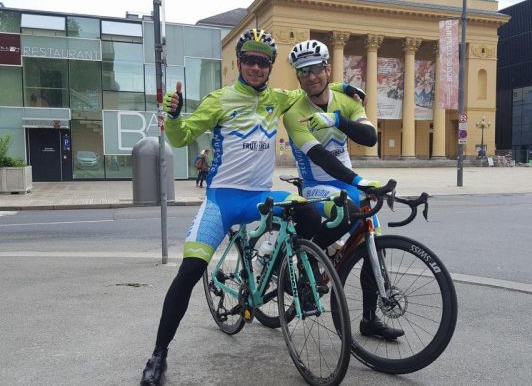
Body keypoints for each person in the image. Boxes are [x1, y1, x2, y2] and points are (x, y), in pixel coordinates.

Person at [140, 28, 366, 386]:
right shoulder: (220, 99)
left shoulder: (278, 98)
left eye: (263, 62)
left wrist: (342, 89)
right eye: (250, 60)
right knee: (189, 271)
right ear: (239, 62)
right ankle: (158, 355)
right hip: (222, 201)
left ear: (271, 66)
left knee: (306, 211)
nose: (256, 67)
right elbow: (182, 137)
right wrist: (174, 115)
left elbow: (311, 87)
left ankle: (294, 274)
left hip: (260, 198)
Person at [283, 40, 404, 340]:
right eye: (303, 72)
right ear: (297, 77)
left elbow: (370, 137)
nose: (311, 77)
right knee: (349, 212)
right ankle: (306, 260)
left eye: (316, 69)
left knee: (372, 237)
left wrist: (338, 119)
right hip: (315, 185)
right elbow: (321, 158)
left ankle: (369, 319)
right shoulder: (293, 112)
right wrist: (359, 182)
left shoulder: (347, 99)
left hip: (348, 181)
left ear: (327, 68)